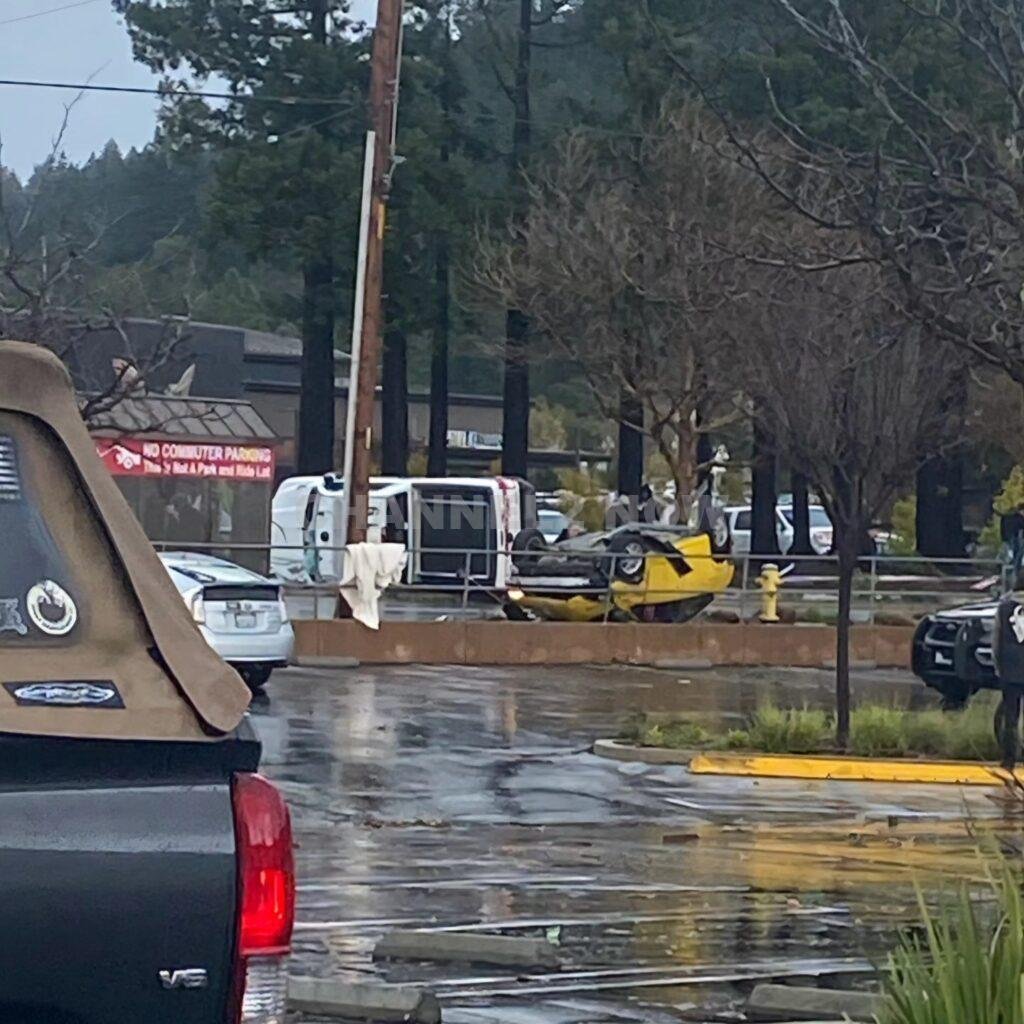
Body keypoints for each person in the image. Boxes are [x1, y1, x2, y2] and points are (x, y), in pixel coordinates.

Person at [992, 595, 1024, 771]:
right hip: (1012, 672)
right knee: (1010, 717)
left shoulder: (1004, 609)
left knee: (1010, 717)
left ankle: (1009, 760)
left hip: (1009, 672)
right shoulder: (1005, 609)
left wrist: (999, 667)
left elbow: (997, 642)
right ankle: (1010, 758)